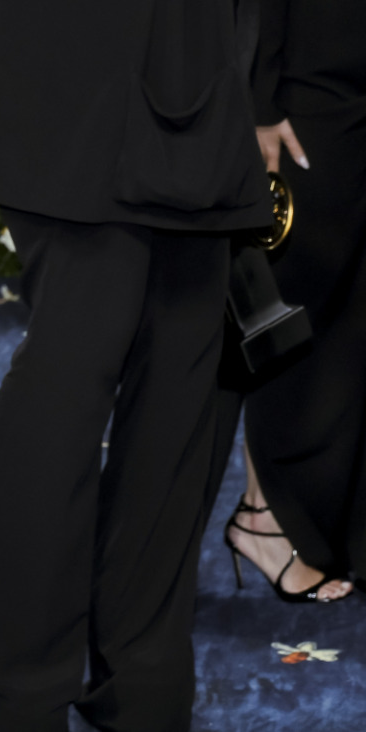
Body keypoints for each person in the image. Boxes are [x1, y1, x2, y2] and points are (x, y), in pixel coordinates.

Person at [0, 1, 273, 731]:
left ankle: (140, 681)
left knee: (176, 388)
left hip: (199, 67)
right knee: (73, 380)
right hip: (83, 71)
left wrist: (264, 80)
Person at [218, 0, 366, 603]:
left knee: (356, 311)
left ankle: (345, 529)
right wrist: (258, 101)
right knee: (302, 296)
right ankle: (265, 517)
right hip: (312, 78)